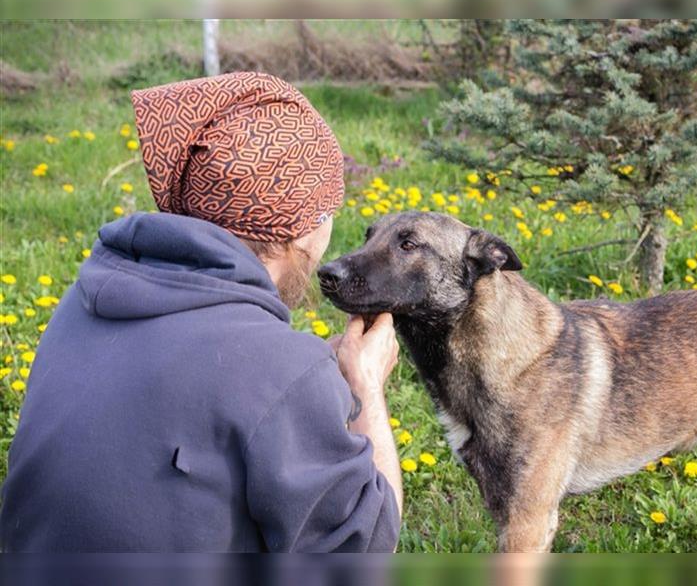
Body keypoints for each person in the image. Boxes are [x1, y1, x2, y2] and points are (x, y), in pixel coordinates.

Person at [0, 72, 402, 552]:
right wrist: (364, 387)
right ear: (295, 232)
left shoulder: (80, 303)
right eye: (326, 211)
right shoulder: (282, 369)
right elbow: (367, 551)